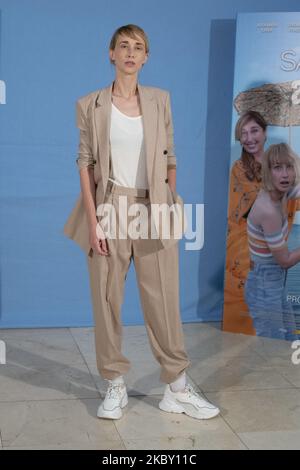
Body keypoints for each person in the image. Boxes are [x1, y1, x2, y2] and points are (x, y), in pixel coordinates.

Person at [64, 24, 219, 420]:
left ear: (146, 57)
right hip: (110, 207)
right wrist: (95, 220)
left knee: (163, 299)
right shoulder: (90, 105)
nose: (130, 53)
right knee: (107, 300)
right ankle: (115, 384)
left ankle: (177, 388)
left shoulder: (159, 101)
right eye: (123, 46)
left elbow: (170, 157)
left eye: (138, 47)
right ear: (111, 54)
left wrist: (167, 204)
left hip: (152, 208)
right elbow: (85, 163)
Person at [223, 111, 300, 335]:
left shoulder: (280, 164)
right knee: (270, 336)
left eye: (254, 130)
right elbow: (254, 207)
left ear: (265, 133)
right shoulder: (241, 171)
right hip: (251, 255)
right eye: (243, 134)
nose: (249, 138)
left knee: (284, 333)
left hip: (274, 261)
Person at [245, 143, 300, 340]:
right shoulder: (268, 210)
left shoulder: (281, 191)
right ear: (269, 172)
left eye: (289, 167)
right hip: (264, 283)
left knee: (291, 339)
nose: (285, 174)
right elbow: (284, 260)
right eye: (278, 168)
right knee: (273, 350)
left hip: (275, 281)